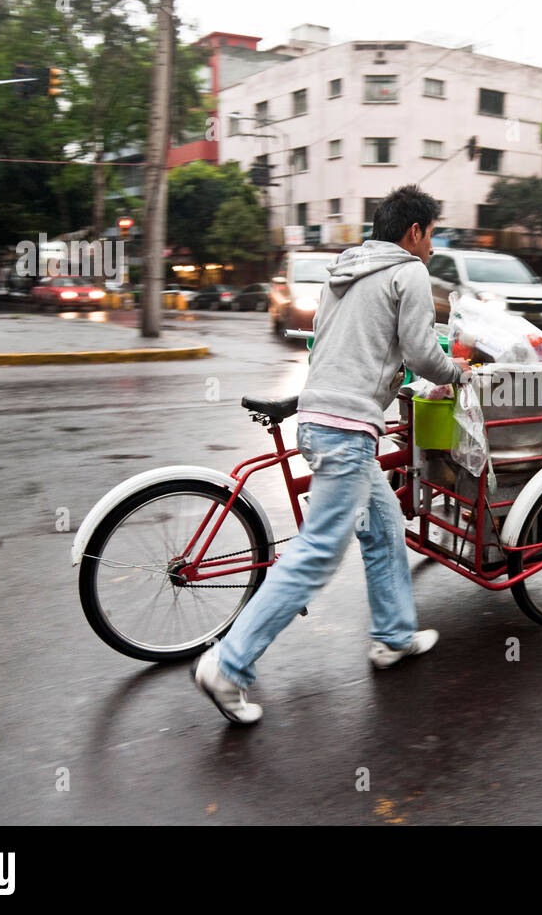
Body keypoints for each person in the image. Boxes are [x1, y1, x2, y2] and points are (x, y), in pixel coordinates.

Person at [193, 184, 471, 724]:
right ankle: (228, 665)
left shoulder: (345, 272)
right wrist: (456, 374)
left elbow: (345, 349)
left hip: (319, 420)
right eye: (432, 235)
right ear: (413, 233)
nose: (432, 248)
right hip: (345, 431)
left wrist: (393, 388)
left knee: (385, 524)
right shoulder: (408, 271)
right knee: (318, 552)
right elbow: (420, 349)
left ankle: (393, 635)